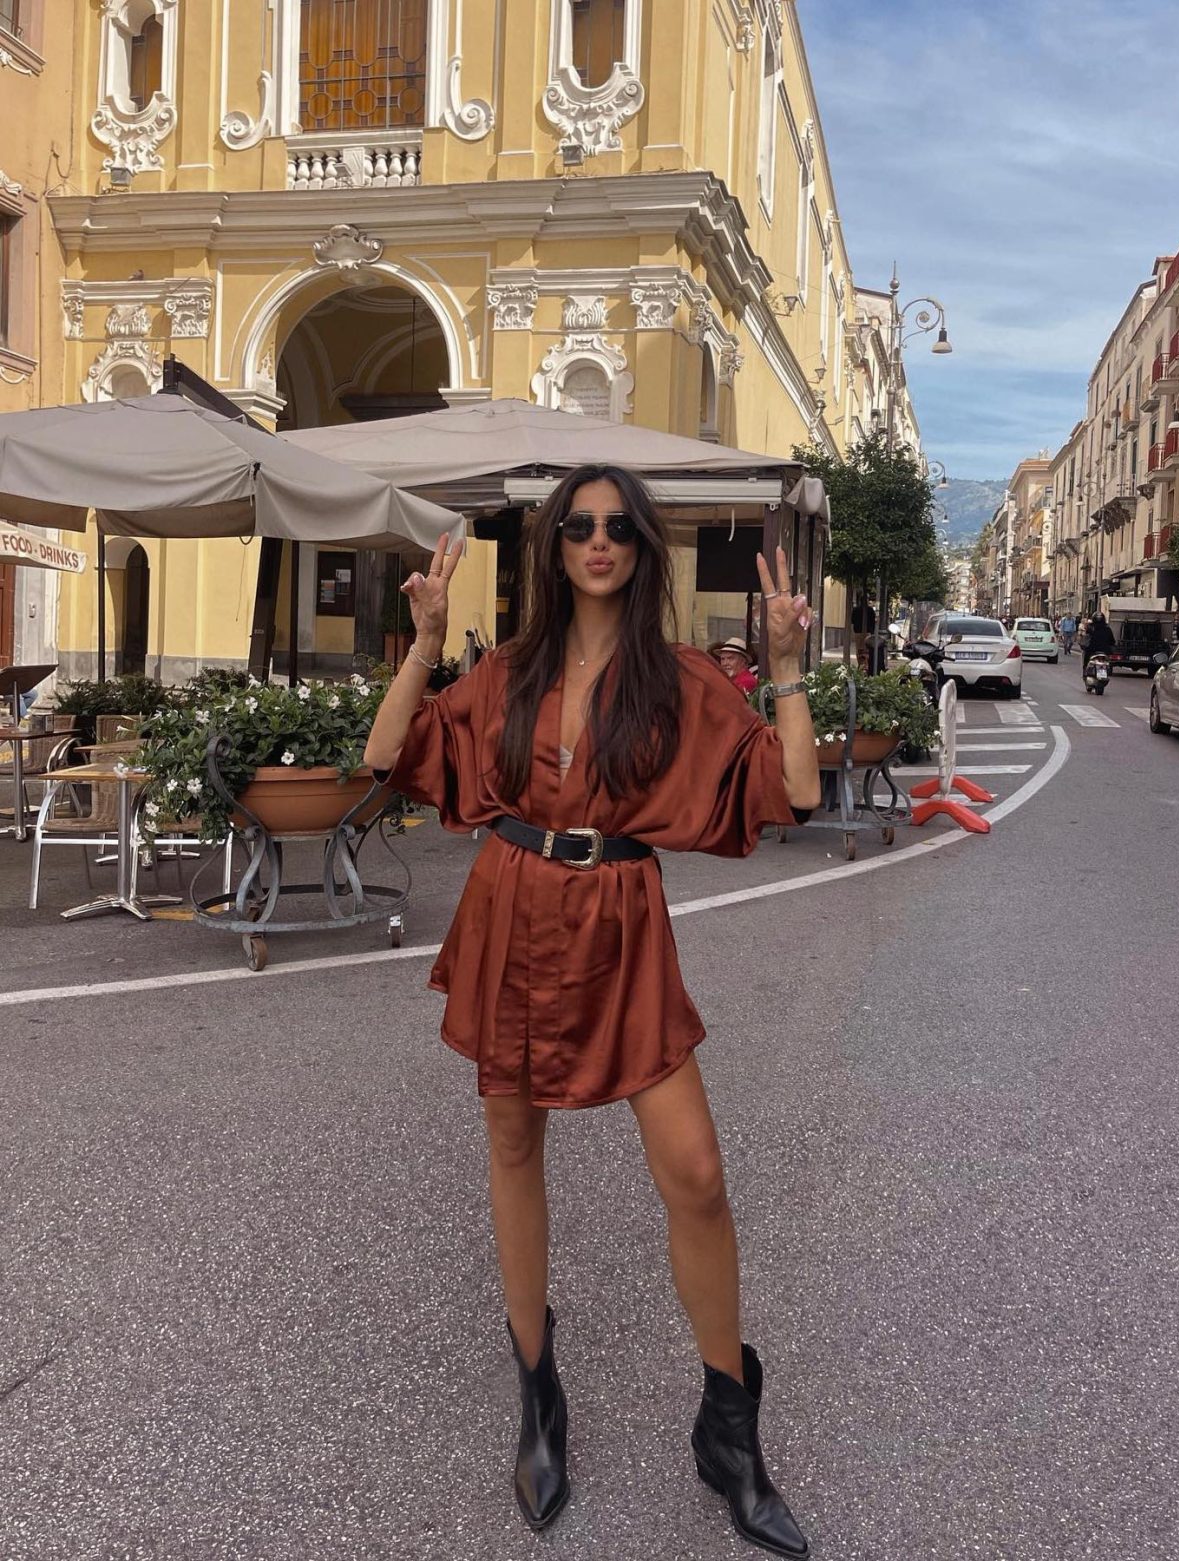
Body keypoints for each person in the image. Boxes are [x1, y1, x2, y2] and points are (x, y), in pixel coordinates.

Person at [364, 463, 821, 1559]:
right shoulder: (511, 671)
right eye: (579, 525)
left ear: (640, 547)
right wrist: (425, 645)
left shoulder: (678, 679)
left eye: (618, 526)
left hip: (621, 921)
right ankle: (538, 1390)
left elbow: (796, 789)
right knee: (515, 1140)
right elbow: (389, 755)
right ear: (555, 546)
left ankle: (729, 1425)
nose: (599, 540)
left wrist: (791, 670)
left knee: (697, 1174)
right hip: (512, 907)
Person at [1083, 611, 1114, 679]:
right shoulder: (1108, 629)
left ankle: (1085, 671)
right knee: (1109, 660)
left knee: (1086, 657)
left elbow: (1086, 639)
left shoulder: (1090, 627)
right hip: (1105, 650)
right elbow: (1112, 641)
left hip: (1092, 650)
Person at [850, 595, 876, 669]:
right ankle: (866, 664)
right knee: (867, 650)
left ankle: (860, 664)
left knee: (859, 649)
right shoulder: (870, 610)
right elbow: (873, 622)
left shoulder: (855, 610)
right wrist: (872, 632)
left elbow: (852, 621)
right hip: (868, 632)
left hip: (858, 632)